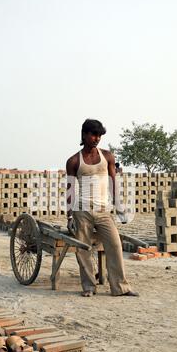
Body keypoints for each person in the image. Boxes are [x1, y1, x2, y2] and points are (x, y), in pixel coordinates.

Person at [66, 119, 139, 298]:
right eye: (93, 134)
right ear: (84, 135)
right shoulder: (74, 161)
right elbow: (70, 189)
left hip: (103, 210)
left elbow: (113, 183)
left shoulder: (107, 157)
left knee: (114, 245)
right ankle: (89, 287)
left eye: (99, 135)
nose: (97, 138)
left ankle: (120, 287)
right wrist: (69, 216)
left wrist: (119, 206)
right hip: (82, 211)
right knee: (83, 249)